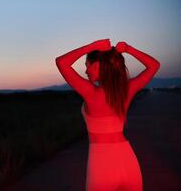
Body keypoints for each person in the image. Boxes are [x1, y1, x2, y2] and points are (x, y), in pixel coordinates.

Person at [55, 39, 160, 191]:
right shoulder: (125, 90)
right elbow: (154, 65)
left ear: (96, 65)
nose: (85, 71)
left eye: (87, 66)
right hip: (128, 160)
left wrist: (93, 46)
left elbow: (61, 62)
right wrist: (129, 49)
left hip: (102, 164)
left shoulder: (90, 92)